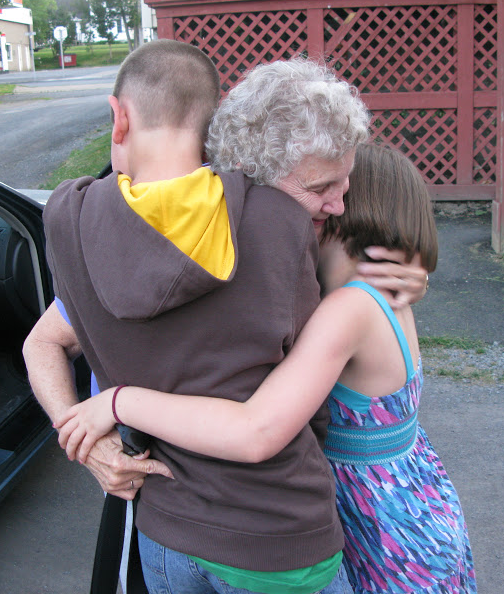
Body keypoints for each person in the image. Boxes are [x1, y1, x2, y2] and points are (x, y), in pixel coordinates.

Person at [24, 51, 428, 594]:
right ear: (249, 178)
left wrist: (398, 286)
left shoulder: (304, 232)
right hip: (270, 533)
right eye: (318, 190)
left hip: (173, 526)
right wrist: (84, 439)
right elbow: (44, 342)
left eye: (345, 185)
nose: (338, 205)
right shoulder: (233, 232)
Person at [56, 143, 477, 594]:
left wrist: (119, 402)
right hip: (414, 507)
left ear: (345, 210)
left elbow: (255, 428)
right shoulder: (384, 296)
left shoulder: (348, 309)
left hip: (384, 528)